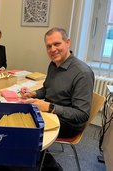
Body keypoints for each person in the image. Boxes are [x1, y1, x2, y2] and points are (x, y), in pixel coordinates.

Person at [20, 27, 95, 170]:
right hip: (51, 112)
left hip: (69, 123)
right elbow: (47, 90)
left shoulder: (82, 73)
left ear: (67, 43)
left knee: (27, 130)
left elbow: (82, 115)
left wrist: (49, 107)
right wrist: (34, 94)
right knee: (20, 117)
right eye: (49, 46)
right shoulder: (53, 64)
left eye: (57, 44)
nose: (52, 49)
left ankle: (51, 167)